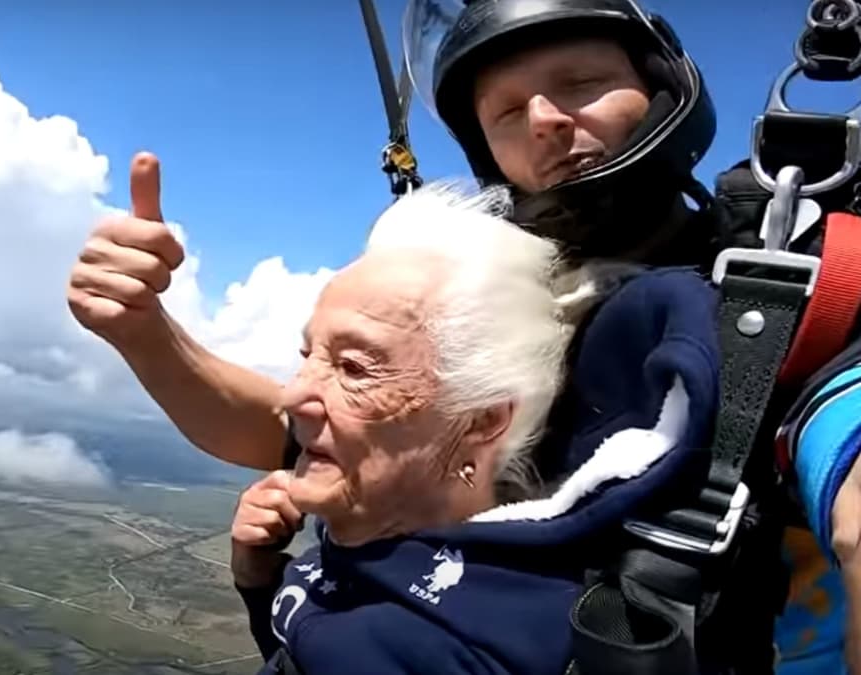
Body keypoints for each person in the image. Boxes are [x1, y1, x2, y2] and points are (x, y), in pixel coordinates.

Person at [64, 0, 861, 670]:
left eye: (580, 84)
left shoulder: (782, 288)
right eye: (506, 112)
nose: (546, 122)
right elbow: (294, 426)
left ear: (662, 90)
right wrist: (145, 331)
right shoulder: (504, 293)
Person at [228, 178, 722, 674]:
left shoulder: (463, 642)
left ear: (483, 420)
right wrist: (259, 579)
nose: (293, 394)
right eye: (307, 355)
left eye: (354, 368)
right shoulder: (398, 546)